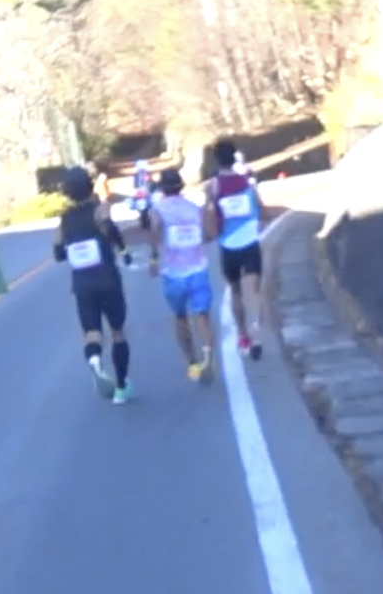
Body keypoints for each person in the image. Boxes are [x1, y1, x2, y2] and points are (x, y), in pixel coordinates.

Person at [52, 166, 134, 403]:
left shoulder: (65, 220)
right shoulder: (100, 211)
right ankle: (121, 388)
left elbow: (58, 254)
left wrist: (73, 247)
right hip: (108, 279)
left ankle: (95, 360)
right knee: (118, 332)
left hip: (83, 285)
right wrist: (124, 251)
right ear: (90, 187)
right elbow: (113, 233)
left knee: (92, 332)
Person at [141, 169, 218, 383]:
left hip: (173, 273)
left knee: (180, 316)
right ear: (181, 186)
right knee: (202, 315)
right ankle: (208, 356)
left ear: (162, 188)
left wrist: (154, 258)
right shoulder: (194, 208)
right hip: (198, 268)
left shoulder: (157, 210)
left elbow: (154, 230)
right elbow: (210, 235)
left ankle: (192, 364)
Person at [206, 138, 274, 361]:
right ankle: (257, 335)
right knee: (254, 291)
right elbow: (262, 211)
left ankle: (243, 336)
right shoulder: (247, 182)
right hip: (250, 242)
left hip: (228, 245)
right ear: (234, 156)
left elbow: (210, 214)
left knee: (235, 291)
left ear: (216, 160)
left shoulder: (213, 186)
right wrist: (260, 220)